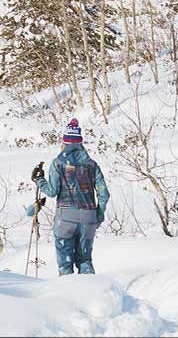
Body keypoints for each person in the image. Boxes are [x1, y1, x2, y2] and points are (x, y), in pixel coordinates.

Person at [28, 118, 110, 275]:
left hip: (65, 218)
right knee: (85, 260)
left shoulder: (58, 163)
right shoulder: (92, 165)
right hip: (88, 217)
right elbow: (104, 193)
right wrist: (98, 214)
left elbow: (52, 191)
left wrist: (39, 180)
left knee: (65, 264)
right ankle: (93, 295)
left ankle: (67, 295)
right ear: (80, 143)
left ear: (64, 141)